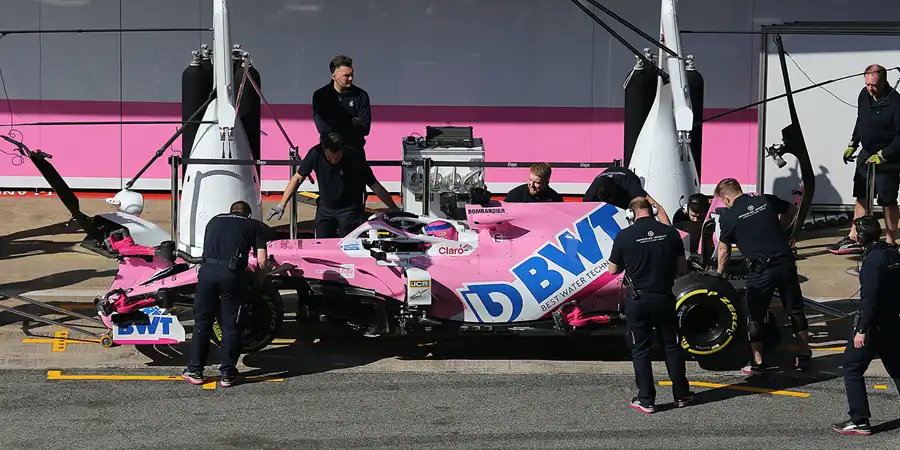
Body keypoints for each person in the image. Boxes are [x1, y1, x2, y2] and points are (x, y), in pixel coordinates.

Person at [713, 178, 813, 376]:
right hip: (784, 262)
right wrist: (781, 230)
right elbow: (792, 211)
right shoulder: (766, 200)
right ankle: (804, 355)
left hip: (761, 271)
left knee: (755, 315)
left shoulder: (729, 217)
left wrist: (719, 274)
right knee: (795, 310)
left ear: (726, 199)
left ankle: (758, 362)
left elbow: (724, 251)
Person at [608, 197, 694, 413]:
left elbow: (612, 270)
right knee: (672, 346)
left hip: (638, 300)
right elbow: (682, 268)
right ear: (653, 211)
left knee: (640, 349)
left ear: (631, 214)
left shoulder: (624, 236)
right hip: (664, 297)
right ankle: (681, 395)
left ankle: (646, 399)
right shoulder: (670, 233)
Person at [182, 200, 272, 388]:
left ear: (230, 211)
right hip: (232, 276)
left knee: (202, 322)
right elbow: (262, 261)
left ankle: (195, 370)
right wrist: (260, 279)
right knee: (231, 324)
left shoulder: (214, 221)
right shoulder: (254, 226)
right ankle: (227, 373)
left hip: (207, 273)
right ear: (248, 214)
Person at [831, 215, 900, 436]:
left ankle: (859, 420)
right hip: (893, 322)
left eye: (853, 231)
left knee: (852, 368)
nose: (851, 235)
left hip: (873, 325)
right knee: (897, 368)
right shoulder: (892, 253)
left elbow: (869, 300)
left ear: (861, 237)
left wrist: (861, 329)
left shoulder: (871, 263)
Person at [267, 132, 399, 238]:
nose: (333, 161)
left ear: (342, 150)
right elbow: (297, 178)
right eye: (330, 158)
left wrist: (393, 208)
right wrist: (281, 204)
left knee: (348, 245)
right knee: (322, 243)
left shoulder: (354, 157)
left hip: (349, 209)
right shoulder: (316, 153)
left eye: (337, 158)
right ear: (324, 150)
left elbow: (374, 185)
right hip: (325, 208)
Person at [829, 64, 900, 255]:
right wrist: (853, 143)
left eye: (874, 85)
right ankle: (855, 237)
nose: (870, 89)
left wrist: (884, 155)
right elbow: (860, 120)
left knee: (888, 200)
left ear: (884, 82)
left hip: (888, 157)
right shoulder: (864, 95)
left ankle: (891, 241)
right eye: (867, 84)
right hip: (866, 153)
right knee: (861, 195)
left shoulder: (895, 102)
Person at [312, 55, 372, 158]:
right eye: (346, 75)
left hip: (354, 154)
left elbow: (365, 128)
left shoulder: (361, 95)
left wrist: (335, 123)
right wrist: (353, 122)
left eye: (352, 75)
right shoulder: (320, 95)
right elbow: (323, 128)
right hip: (330, 154)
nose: (350, 78)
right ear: (334, 76)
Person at [582, 166, 671, 224]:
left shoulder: (630, 185)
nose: (609, 202)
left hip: (625, 186)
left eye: (610, 200)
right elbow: (582, 216)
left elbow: (656, 208)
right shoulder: (592, 192)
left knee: (642, 208)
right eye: (606, 201)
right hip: (610, 188)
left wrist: (669, 232)